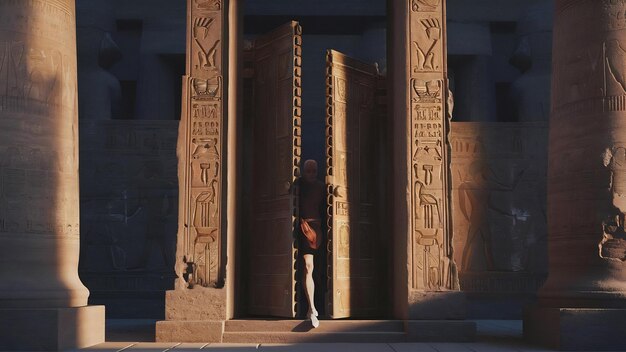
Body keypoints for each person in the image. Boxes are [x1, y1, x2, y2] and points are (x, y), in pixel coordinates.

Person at [299, 160, 325, 328]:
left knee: (319, 270)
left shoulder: (322, 187)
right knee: (308, 267)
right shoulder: (297, 186)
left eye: (314, 171)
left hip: (318, 229)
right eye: (308, 171)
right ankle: (312, 307)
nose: (311, 173)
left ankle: (317, 307)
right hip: (303, 228)